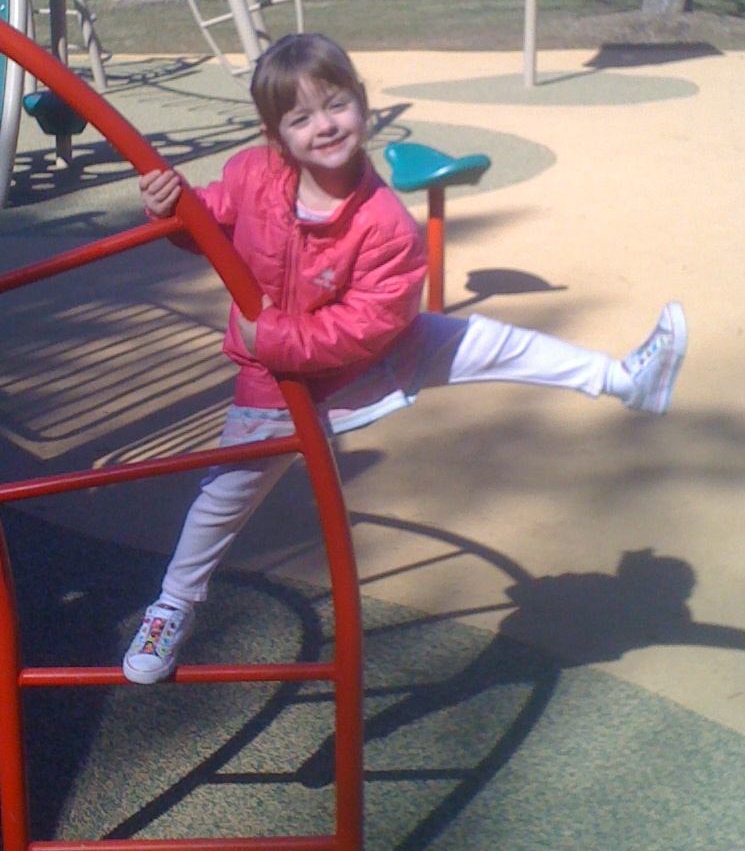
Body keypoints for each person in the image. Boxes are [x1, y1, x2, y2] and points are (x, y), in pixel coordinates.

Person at [122, 33, 687, 684]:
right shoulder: (253, 175)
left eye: (335, 105)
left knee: (487, 341)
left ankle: (624, 378)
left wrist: (271, 334)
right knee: (224, 499)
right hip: (280, 383)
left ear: (362, 104)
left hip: (358, 352)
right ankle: (172, 607)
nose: (324, 126)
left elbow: (364, 327)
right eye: (300, 118)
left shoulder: (384, 224)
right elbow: (209, 226)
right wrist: (172, 210)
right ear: (275, 136)